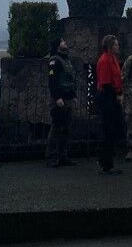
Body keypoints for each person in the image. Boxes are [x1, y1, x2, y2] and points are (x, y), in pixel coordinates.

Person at [46, 36, 77, 168]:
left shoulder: (66, 60)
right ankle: (52, 157)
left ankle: (63, 156)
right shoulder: (54, 60)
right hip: (59, 99)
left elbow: (70, 80)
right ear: (58, 45)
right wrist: (57, 97)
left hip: (68, 98)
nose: (65, 42)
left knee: (66, 129)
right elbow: (52, 81)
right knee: (56, 128)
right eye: (63, 41)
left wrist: (73, 95)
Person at [95, 34, 125, 175]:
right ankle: (106, 163)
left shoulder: (113, 59)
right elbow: (106, 83)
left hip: (112, 95)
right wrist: (116, 95)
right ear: (109, 46)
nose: (118, 46)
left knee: (111, 130)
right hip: (107, 97)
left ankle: (107, 161)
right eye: (115, 45)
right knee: (107, 129)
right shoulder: (105, 60)